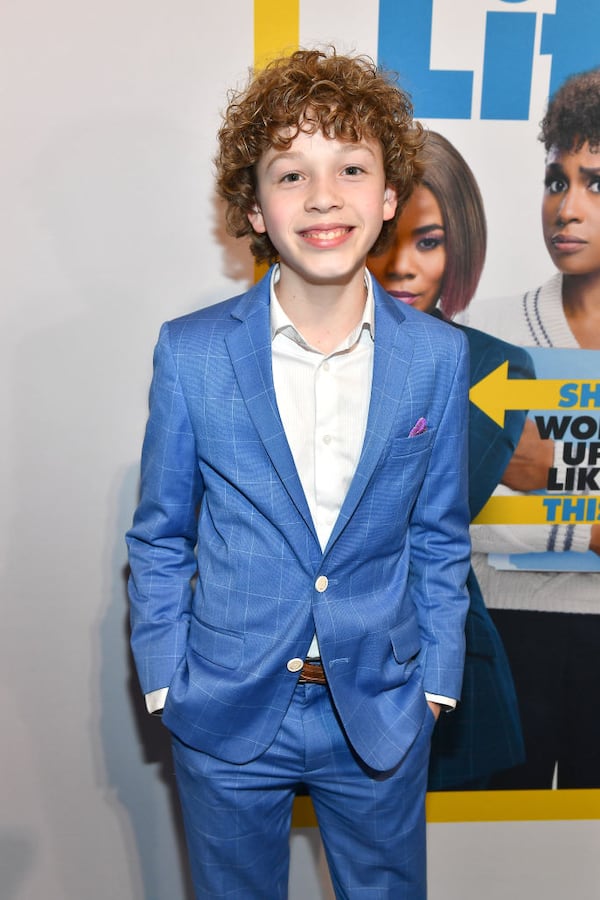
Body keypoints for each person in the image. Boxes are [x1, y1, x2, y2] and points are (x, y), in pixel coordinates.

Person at [126, 48, 471, 898]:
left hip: (382, 710)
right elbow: (161, 535)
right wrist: (170, 681)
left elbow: (439, 536)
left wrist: (435, 686)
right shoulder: (192, 352)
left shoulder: (437, 356)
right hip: (227, 711)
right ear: (253, 206)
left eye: (352, 168)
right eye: (291, 174)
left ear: (389, 196)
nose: (324, 197)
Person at [368, 131, 531, 790]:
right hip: (302, 679)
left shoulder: (495, 366)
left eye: (428, 241)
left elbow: (413, 516)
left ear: (459, 245)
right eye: (386, 238)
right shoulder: (287, 354)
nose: (404, 264)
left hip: (442, 683)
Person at [460, 67, 600, 789]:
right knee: (496, 845)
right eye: (557, 181)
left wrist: (548, 468)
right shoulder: (490, 331)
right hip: (508, 626)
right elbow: (486, 499)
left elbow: (525, 472)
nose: (567, 209)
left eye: (595, 184)